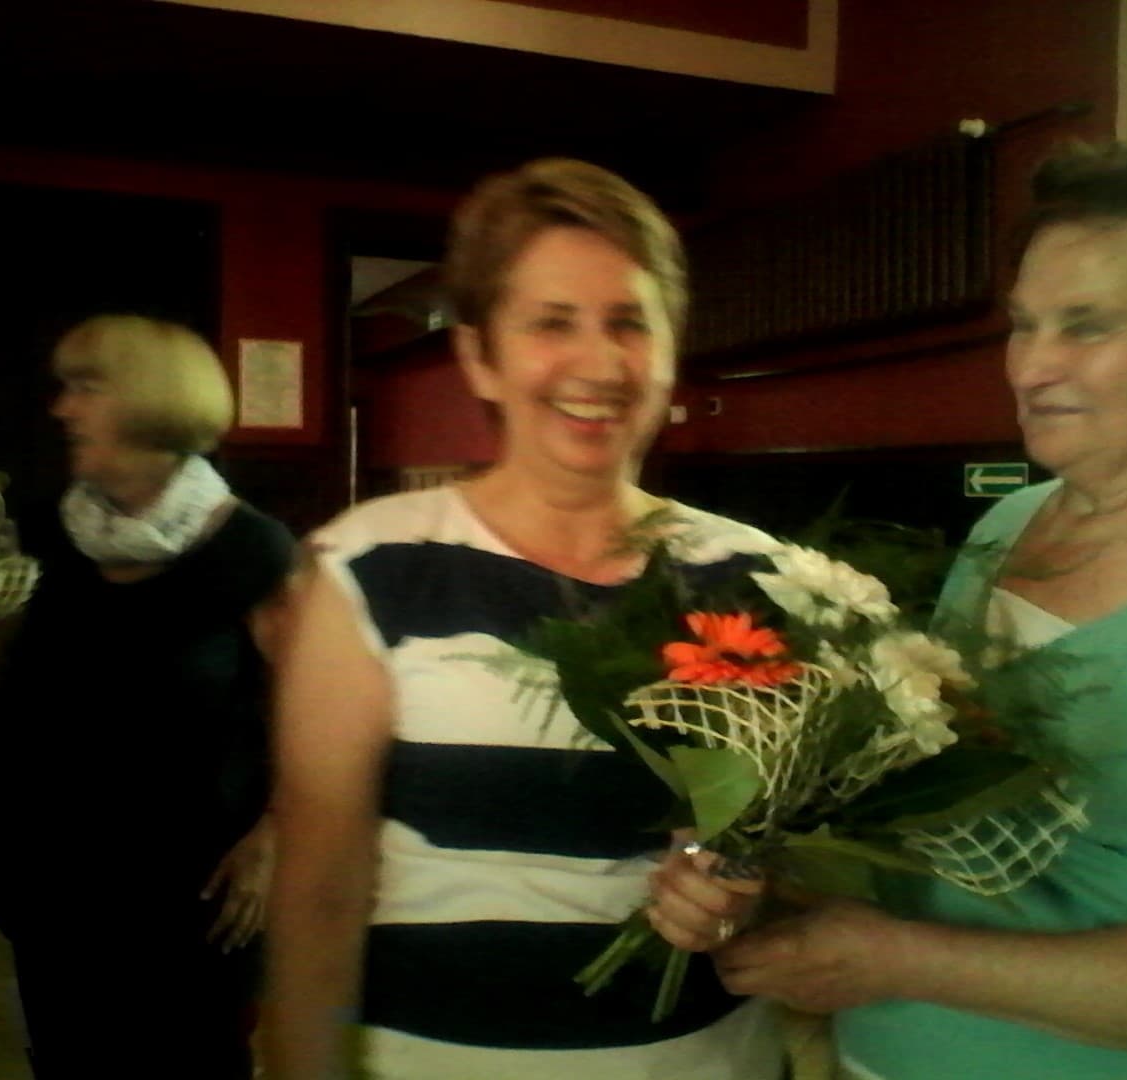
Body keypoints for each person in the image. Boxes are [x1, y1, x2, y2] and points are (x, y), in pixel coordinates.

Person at [648, 141, 1127, 1079]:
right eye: (1025, 325)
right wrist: (750, 868)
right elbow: (931, 824)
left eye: (1087, 327)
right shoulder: (1010, 524)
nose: (1031, 367)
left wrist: (899, 960)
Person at [265, 158, 789, 1079]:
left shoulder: (754, 575)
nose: (599, 363)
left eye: (629, 322)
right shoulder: (372, 568)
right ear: (480, 356)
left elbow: (794, 854)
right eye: (552, 323)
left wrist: (745, 885)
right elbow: (319, 892)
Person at [0, 314, 296, 1078]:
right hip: (53, 880)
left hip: (191, 891)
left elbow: (319, 718)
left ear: (152, 402)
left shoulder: (251, 549)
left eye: (85, 388)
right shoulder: (41, 534)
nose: (61, 408)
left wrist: (271, 840)